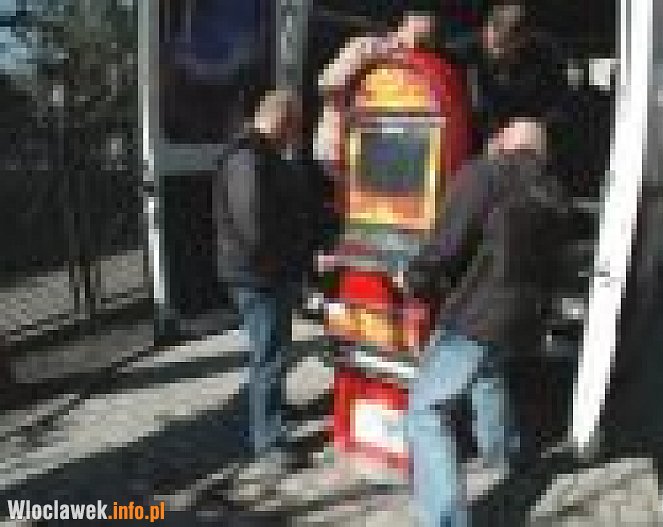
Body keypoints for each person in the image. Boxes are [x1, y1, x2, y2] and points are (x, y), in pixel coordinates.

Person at [317, 4, 570, 526]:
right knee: (488, 375)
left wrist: (414, 276)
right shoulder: (552, 194)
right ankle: (504, 455)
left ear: (504, 137)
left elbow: (446, 243)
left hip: (475, 313)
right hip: (518, 316)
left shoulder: (485, 175)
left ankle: (448, 517)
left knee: (426, 407)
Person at [215, 88, 336, 463]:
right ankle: (268, 440)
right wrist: (300, 260)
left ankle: (275, 412)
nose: (295, 136)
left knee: (276, 351)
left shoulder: (264, 154)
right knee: (268, 356)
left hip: (269, 273)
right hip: (258, 277)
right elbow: (254, 229)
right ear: (281, 121)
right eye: (295, 127)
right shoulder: (247, 158)